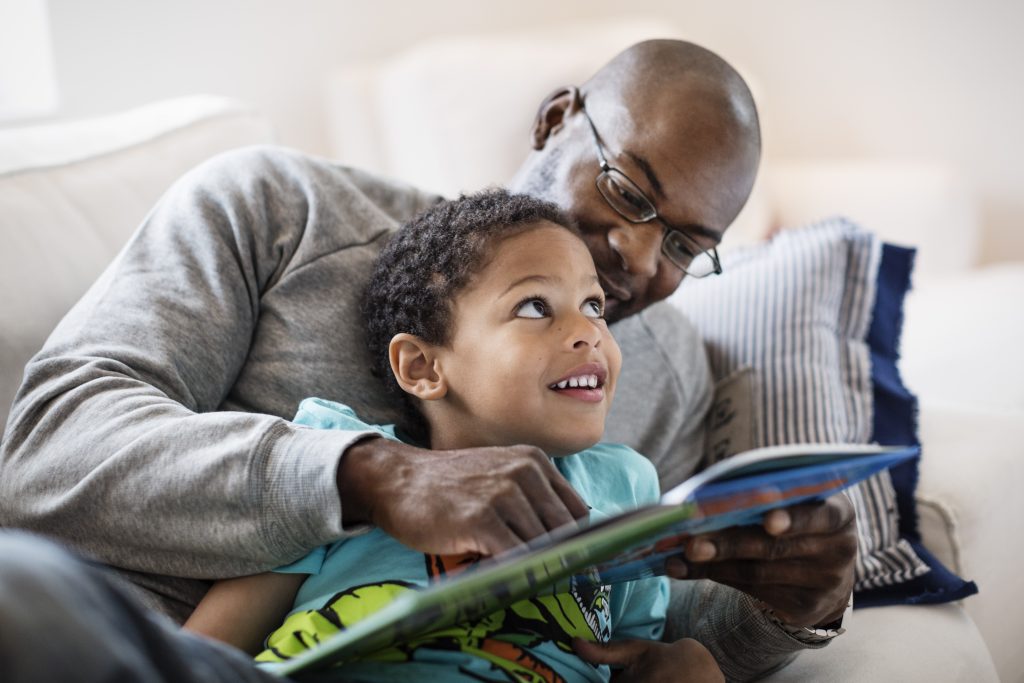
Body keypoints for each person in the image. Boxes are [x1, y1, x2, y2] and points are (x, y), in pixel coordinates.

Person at [0, 39, 856, 681]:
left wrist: (789, 607)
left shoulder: (662, 370)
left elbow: (644, 620)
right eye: (627, 189)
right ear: (556, 120)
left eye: (683, 245)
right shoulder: (281, 207)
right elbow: (43, 450)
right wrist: (366, 476)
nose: (634, 257)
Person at [184, 188, 725, 683]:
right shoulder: (339, 461)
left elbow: (629, 660)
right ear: (421, 366)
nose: (588, 332)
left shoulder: (625, 488)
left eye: (594, 306)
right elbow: (199, 654)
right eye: (535, 306)